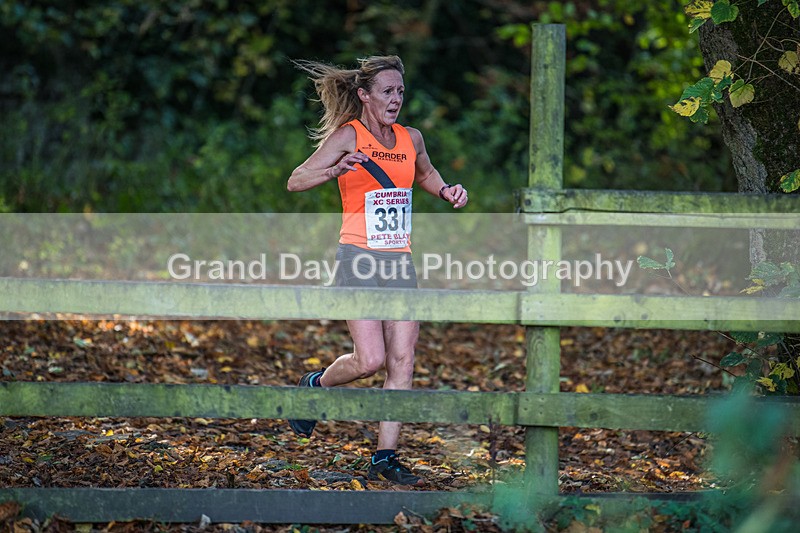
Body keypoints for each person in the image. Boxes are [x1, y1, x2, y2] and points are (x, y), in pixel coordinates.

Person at [286, 55, 468, 486]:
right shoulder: (349, 135)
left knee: (402, 360)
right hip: (359, 259)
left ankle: (384, 457)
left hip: (399, 260)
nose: (396, 99)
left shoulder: (412, 137)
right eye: (387, 91)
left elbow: (424, 173)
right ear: (365, 95)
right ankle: (315, 385)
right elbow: (295, 179)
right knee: (370, 360)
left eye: (401, 91)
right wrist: (335, 168)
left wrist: (446, 190)